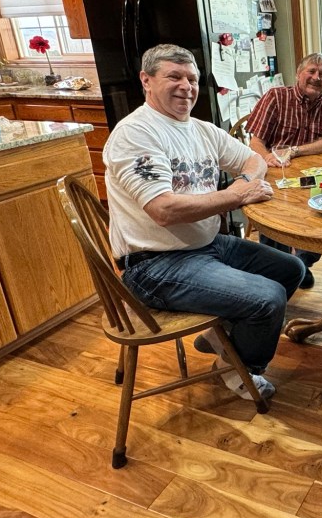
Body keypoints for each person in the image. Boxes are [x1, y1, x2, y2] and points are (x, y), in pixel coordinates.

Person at [103, 44, 305, 402]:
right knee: (268, 298)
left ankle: (221, 336)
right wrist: (237, 195)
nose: (187, 86)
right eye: (174, 77)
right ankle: (237, 368)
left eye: (193, 79)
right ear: (146, 80)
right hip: (154, 264)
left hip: (205, 246)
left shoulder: (202, 130)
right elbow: (163, 210)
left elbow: (255, 161)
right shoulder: (136, 134)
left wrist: (244, 183)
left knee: (291, 269)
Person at [246, 52, 322, 288]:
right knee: (273, 212)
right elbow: (255, 141)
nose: (316, 77)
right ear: (299, 74)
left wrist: (296, 151)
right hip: (276, 174)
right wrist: (267, 158)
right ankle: (280, 267)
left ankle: (299, 263)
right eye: (311, 71)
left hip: (311, 178)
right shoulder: (276, 97)